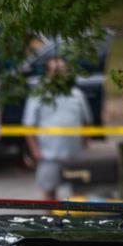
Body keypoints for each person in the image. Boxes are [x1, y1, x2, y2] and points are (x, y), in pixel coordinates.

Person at [22, 57, 93, 200]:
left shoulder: (76, 94)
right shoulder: (38, 95)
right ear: (48, 73)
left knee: (79, 193)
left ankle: (77, 221)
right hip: (49, 156)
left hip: (75, 155)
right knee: (49, 192)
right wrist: (35, 151)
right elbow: (28, 125)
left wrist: (85, 144)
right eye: (56, 71)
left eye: (62, 70)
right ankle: (51, 220)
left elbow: (87, 122)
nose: (60, 74)